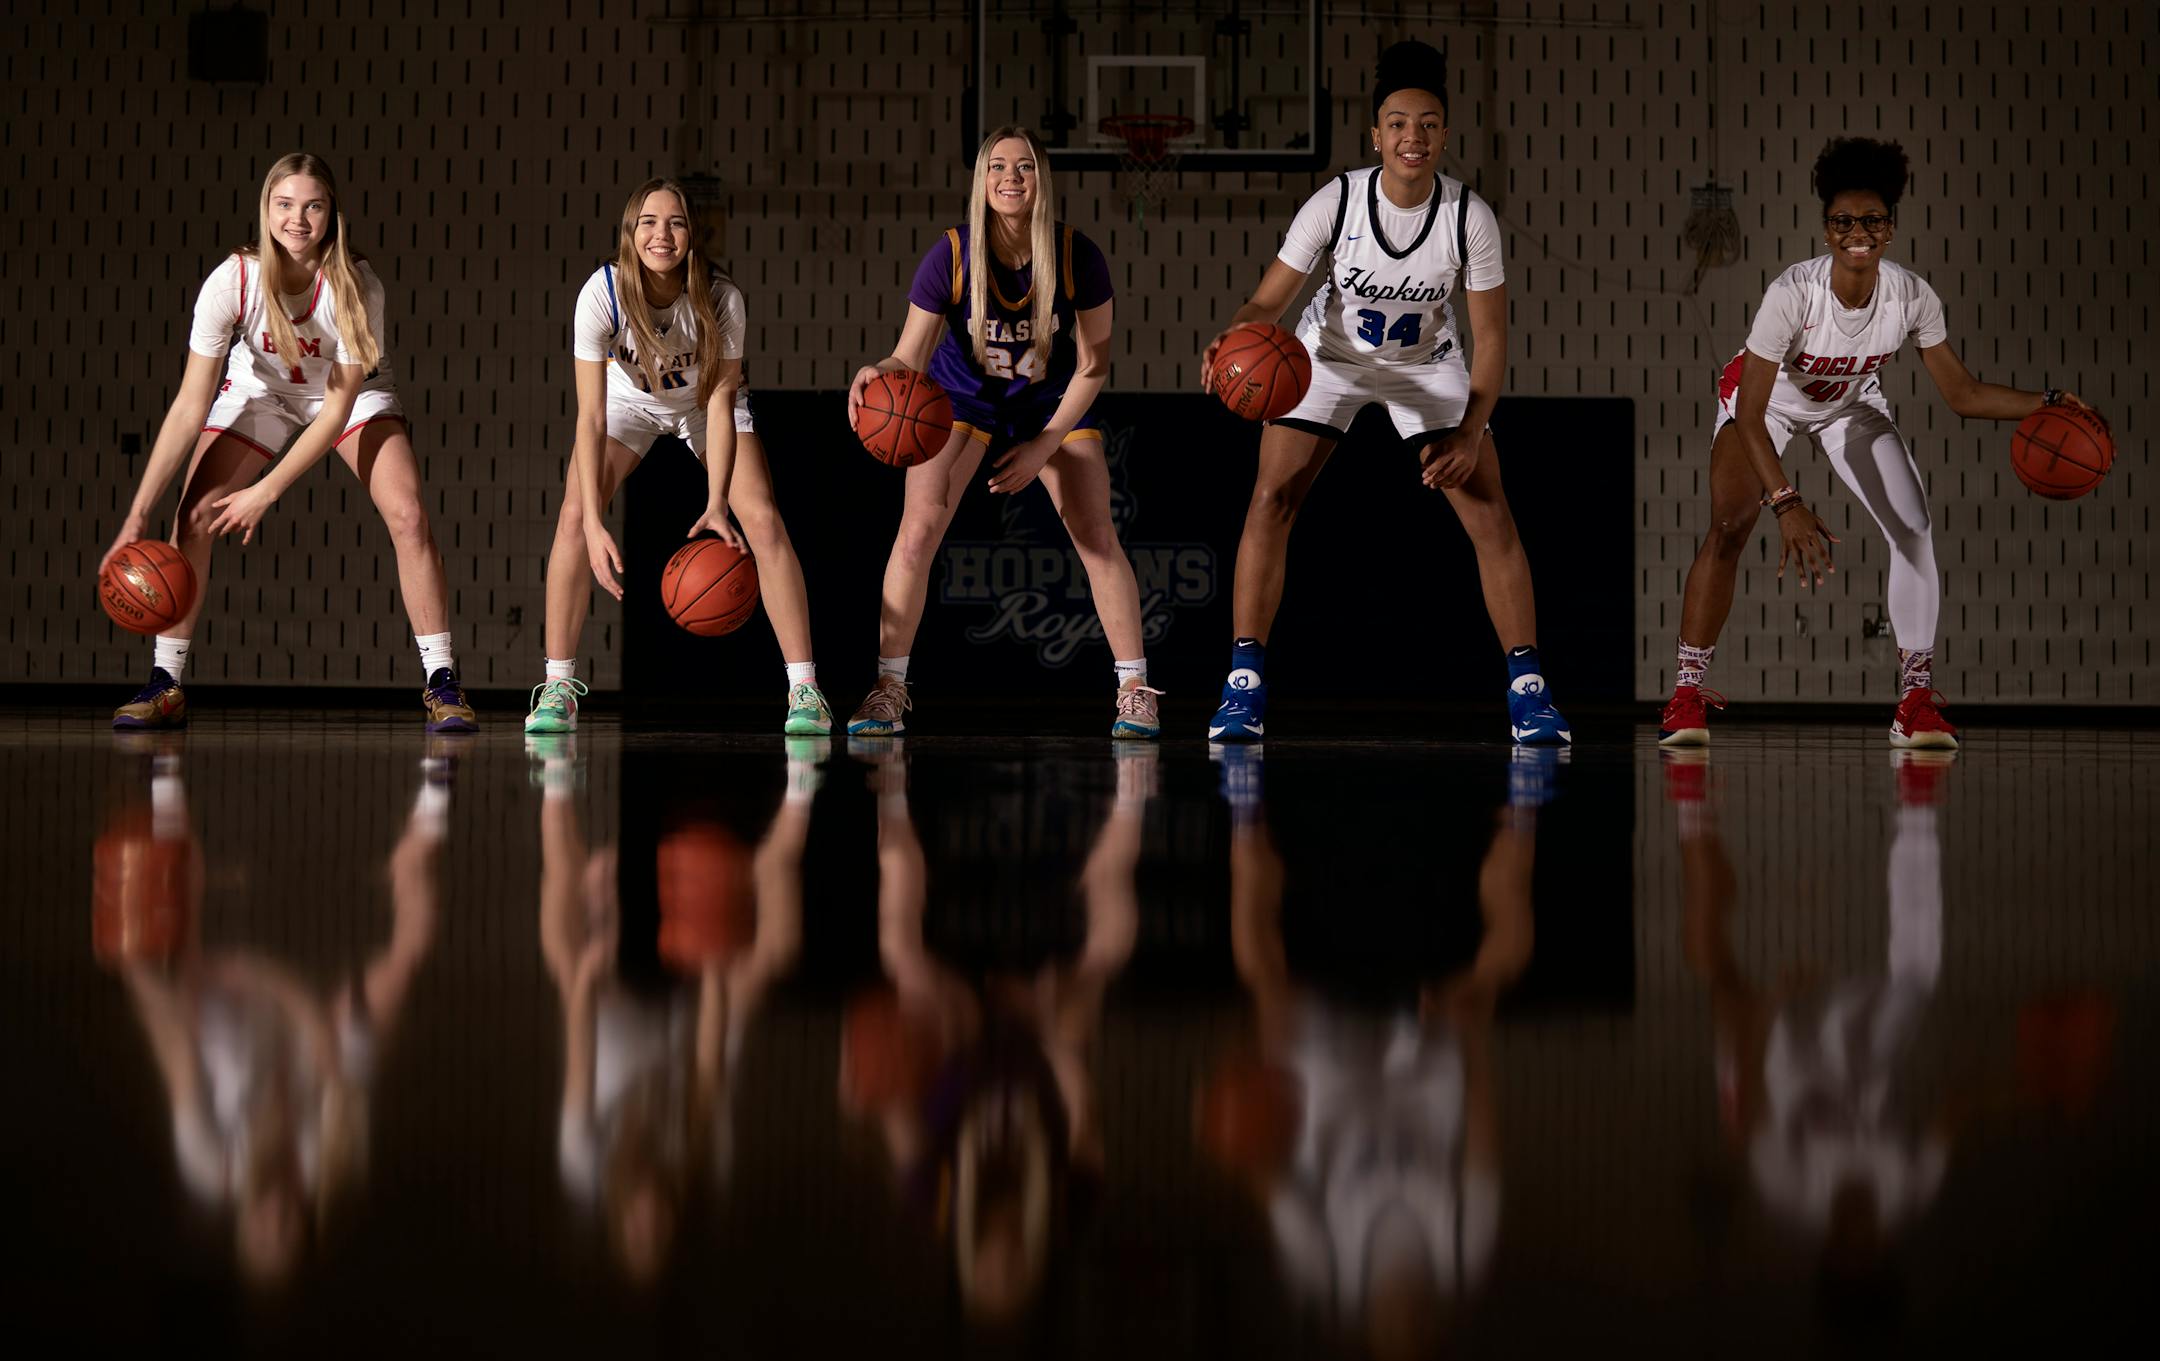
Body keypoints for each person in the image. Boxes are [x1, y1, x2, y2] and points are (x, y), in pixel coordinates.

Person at [1658, 137, 2103, 748]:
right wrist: (1785, 501)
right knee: (1731, 524)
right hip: (1771, 405)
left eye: (1871, 220)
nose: (1857, 231)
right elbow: (1754, 412)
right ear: (1826, 231)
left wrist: (2047, 401)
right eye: (1843, 221)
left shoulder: (1911, 296)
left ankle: (1915, 701)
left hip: (1849, 403)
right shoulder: (1793, 293)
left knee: (1914, 526)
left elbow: (1964, 394)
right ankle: (1686, 695)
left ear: (1890, 228)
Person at [1201, 41, 1569, 745]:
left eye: (1428, 124)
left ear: (1445, 135)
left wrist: (1467, 432)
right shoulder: (1335, 201)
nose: (1413, 136)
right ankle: (1243, 686)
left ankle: (1530, 694)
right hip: (1330, 358)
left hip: (1425, 363)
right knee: (1271, 498)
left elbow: (1490, 339)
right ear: (1376, 134)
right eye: (1399, 123)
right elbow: (1266, 303)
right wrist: (1233, 336)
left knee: (1492, 515)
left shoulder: (1470, 218)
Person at [101, 152, 475, 732]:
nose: (297, 220)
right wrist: (136, 513)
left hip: (347, 397)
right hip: (263, 394)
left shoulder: (356, 286)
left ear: (331, 215)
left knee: (408, 514)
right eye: (285, 205)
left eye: (313, 206)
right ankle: (166, 682)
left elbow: (336, 412)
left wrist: (266, 490)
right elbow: (188, 406)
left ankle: (442, 682)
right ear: (266, 209)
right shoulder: (233, 280)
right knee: (194, 515)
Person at [843, 126, 1160, 738]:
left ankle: (1134, 689)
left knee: (1095, 534)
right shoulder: (953, 254)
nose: (1011, 177)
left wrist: (1043, 444)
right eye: (998, 166)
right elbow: (908, 356)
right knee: (918, 530)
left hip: (1051, 404)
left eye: (1025, 166)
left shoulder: (1077, 256)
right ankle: (887, 688)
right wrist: (874, 371)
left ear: (1042, 180)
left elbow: (1094, 368)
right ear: (981, 181)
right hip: (964, 399)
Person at [527, 178, 831, 736]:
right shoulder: (602, 295)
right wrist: (594, 522)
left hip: (701, 403)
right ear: (629, 232)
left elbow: (718, 405)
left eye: (675, 222)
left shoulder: (720, 298)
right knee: (573, 517)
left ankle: (805, 690)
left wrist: (717, 503)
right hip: (628, 403)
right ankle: (557, 686)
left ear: (693, 235)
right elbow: (591, 418)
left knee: (761, 519)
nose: (661, 234)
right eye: (648, 222)